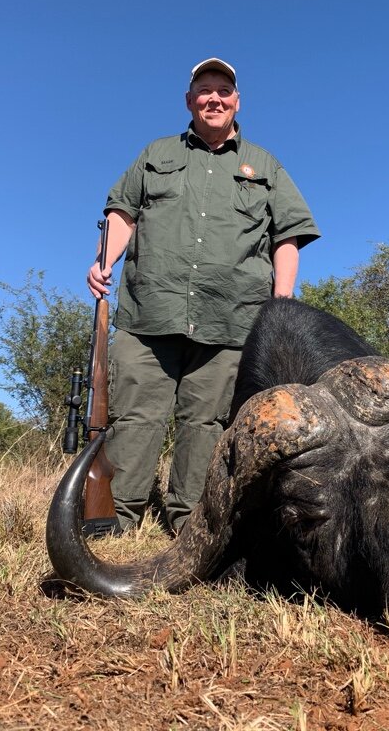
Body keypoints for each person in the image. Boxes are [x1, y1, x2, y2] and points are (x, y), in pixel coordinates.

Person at [86, 57, 320, 534]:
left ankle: (188, 522)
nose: (214, 98)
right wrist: (103, 262)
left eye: (224, 91)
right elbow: (122, 212)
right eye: (204, 90)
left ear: (237, 101)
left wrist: (281, 303)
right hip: (150, 309)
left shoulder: (266, 165)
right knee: (135, 416)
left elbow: (288, 237)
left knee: (207, 423)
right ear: (189, 101)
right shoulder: (156, 153)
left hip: (231, 318)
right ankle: (119, 519)